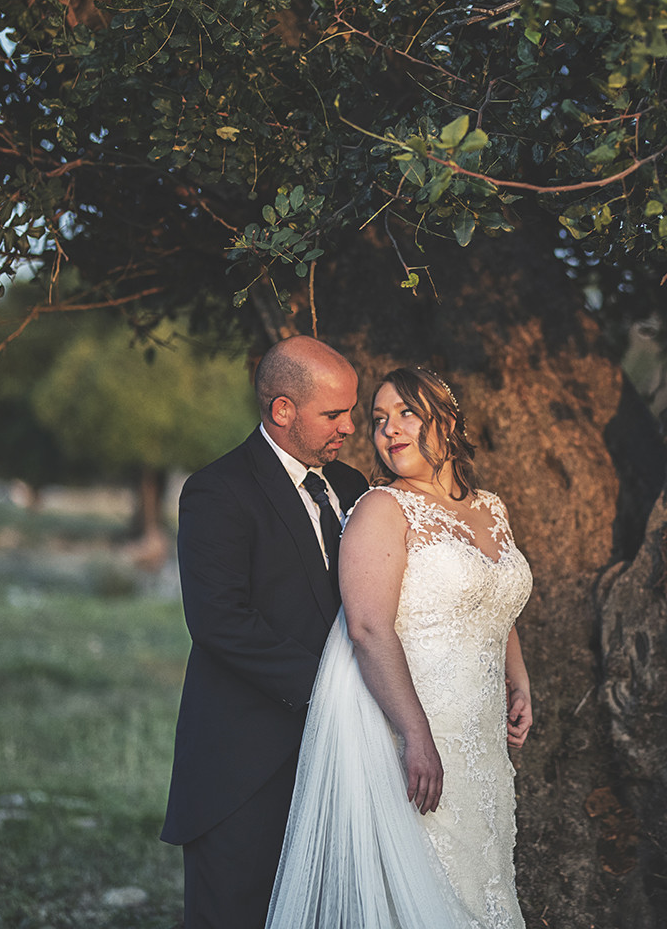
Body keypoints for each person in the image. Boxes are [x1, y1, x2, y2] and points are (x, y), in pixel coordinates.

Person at [266, 366, 534, 929]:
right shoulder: (380, 510)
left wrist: (519, 678)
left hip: (481, 741)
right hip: (414, 732)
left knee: (484, 879)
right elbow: (367, 628)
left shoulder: (490, 508)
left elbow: (495, 598)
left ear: (448, 420)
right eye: (380, 420)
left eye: (407, 413)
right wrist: (415, 736)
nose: (390, 430)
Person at [160, 335, 370, 929]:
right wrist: (334, 694)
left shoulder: (353, 487)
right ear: (283, 410)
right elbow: (220, 620)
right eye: (334, 414)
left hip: (343, 758)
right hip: (245, 765)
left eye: (350, 411)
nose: (350, 426)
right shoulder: (217, 490)